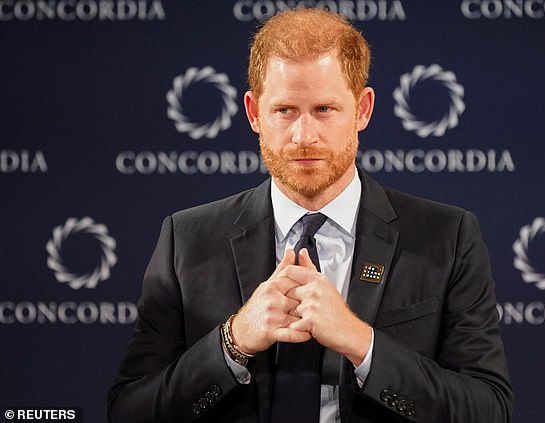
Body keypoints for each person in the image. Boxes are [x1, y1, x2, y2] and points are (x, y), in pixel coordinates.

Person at [107, 8, 513, 423]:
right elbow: (130, 410)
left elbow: (488, 409)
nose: (304, 136)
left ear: (362, 109)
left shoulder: (447, 237)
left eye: (324, 109)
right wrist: (233, 341)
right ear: (253, 113)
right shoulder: (187, 240)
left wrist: (362, 343)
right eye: (284, 110)